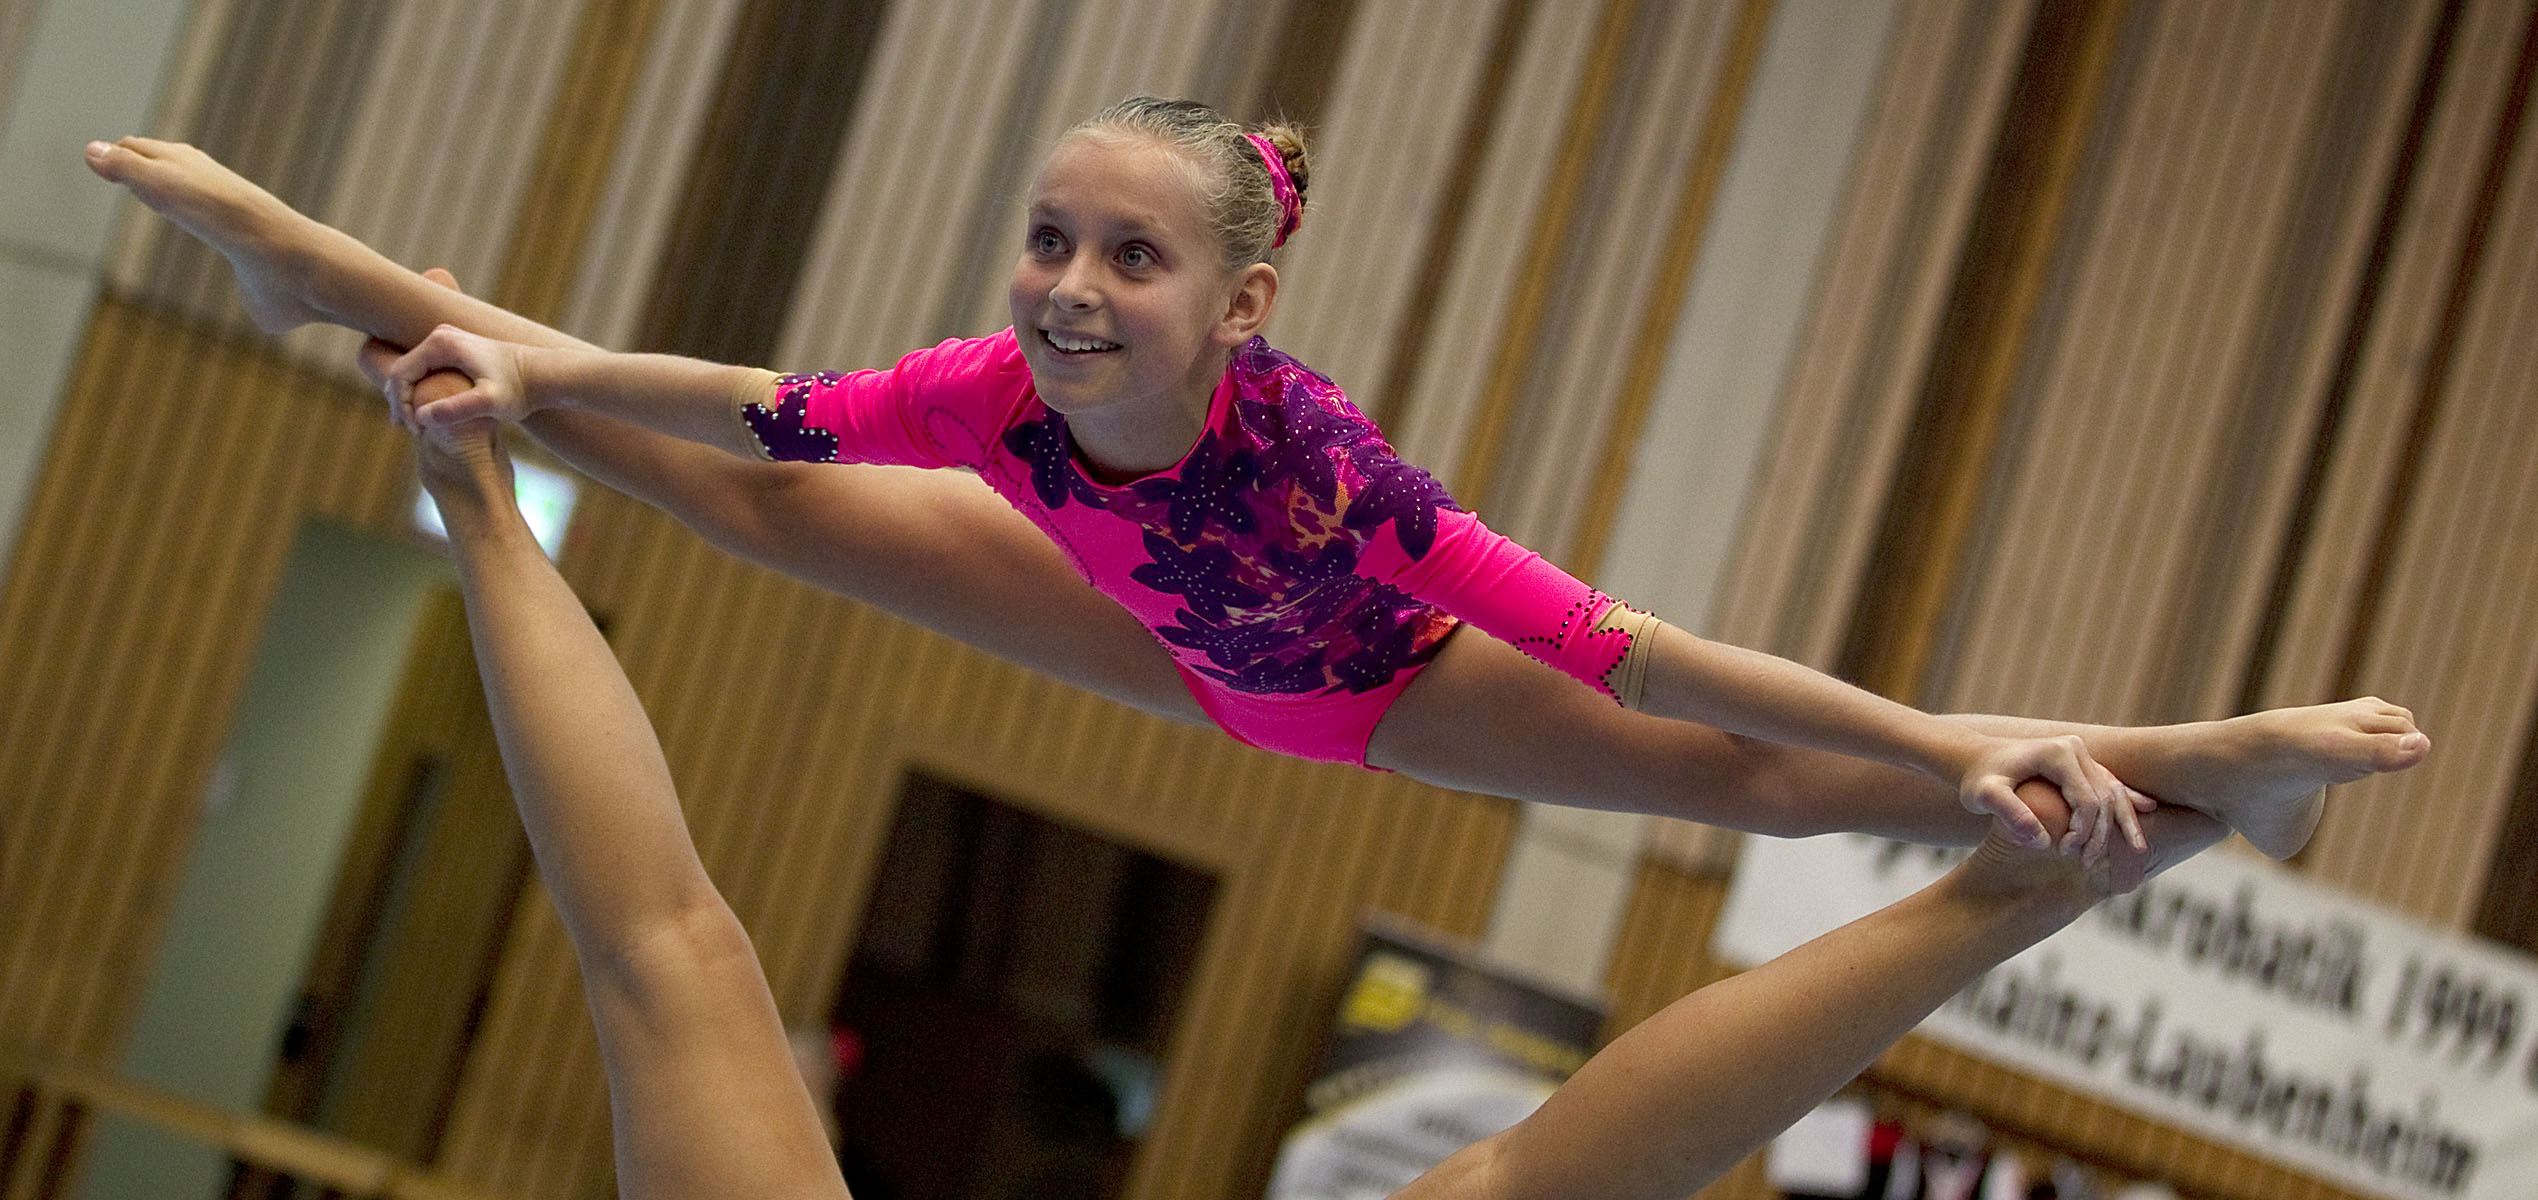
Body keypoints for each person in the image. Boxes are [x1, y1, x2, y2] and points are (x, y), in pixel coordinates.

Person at [84, 97, 2429, 864]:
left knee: (1763, 787)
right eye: (1051, 239)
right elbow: (758, 402)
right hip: (1147, 625)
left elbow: (1635, 648)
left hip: (1369, 685)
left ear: (1241, 303)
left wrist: (1933, 741)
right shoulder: (994, 394)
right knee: (733, 480)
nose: (1070, 287)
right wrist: (511, 344)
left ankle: (2168, 760)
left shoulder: (1326, 474)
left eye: (1132, 257)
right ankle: (347, 290)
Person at [412, 405, 2234, 1200]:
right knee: (1535, 1173)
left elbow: (662, 946)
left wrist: (483, 502)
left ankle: (2023, 871)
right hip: (1377, 669)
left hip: (1388, 667)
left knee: (670, 965)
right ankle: (2020, 877)